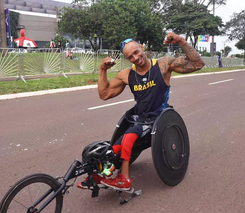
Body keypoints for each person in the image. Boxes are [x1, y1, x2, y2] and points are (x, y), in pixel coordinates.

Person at [77, 32, 205, 190]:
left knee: (128, 138)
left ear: (142, 48)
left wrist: (180, 40)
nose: (136, 58)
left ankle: (124, 178)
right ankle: (99, 175)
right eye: (130, 56)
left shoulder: (163, 65)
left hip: (159, 118)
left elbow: (198, 63)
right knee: (113, 148)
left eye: (136, 52)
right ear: (127, 59)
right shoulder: (127, 75)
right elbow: (104, 94)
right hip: (139, 120)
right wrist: (103, 70)